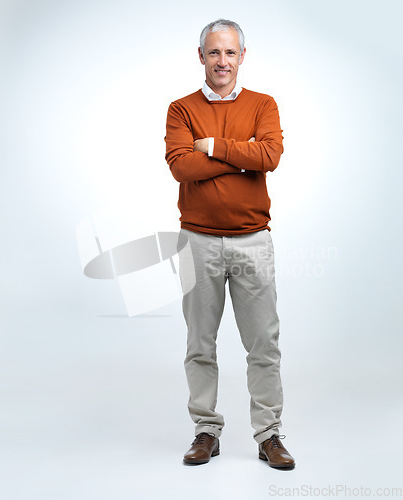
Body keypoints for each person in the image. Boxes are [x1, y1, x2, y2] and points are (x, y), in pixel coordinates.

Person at [164, 19, 295, 470]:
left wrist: (215, 146)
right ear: (201, 56)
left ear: (242, 56)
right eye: (214, 53)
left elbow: (270, 156)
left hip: (253, 241)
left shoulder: (264, 105)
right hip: (196, 240)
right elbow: (182, 167)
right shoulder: (181, 109)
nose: (222, 61)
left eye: (230, 53)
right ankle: (206, 430)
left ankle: (269, 435)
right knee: (200, 342)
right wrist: (241, 156)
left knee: (264, 344)